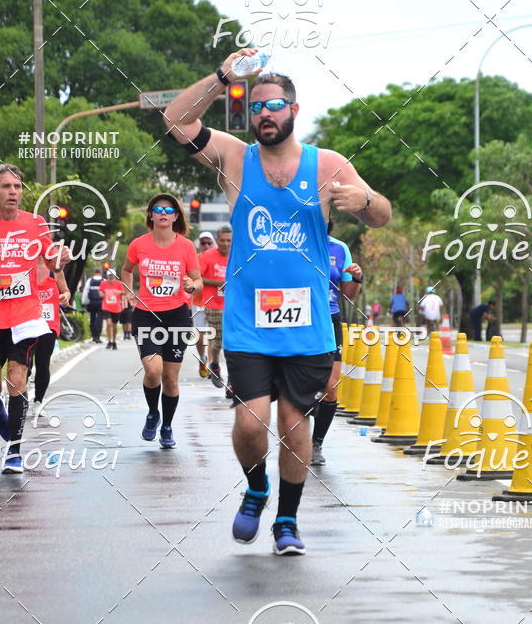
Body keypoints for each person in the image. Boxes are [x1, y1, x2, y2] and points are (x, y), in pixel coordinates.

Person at [163, 48, 391, 554]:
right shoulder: (234, 157)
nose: (264, 114)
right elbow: (176, 119)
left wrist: (366, 202)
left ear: (294, 109)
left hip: (309, 322)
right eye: (256, 107)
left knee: (293, 423)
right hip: (248, 318)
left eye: (274, 105)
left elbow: (383, 215)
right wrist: (224, 77)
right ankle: (256, 488)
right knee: (249, 421)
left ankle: (286, 520)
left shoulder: (328, 165)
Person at [0, 163, 69, 473]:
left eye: (17, 187)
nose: (13, 193)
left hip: (24, 316)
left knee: (16, 381)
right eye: (6, 187)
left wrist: (61, 257)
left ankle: (14, 450)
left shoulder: (36, 224)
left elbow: (52, 260)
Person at [121, 194, 203, 450]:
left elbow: (198, 280)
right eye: (158, 209)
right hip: (147, 315)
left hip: (177, 315)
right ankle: (152, 412)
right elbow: (126, 269)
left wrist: (192, 285)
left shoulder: (186, 246)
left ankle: (166, 426)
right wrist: (128, 291)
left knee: (170, 378)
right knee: (153, 371)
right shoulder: (139, 244)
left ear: (176, 216)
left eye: (169, 210)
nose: (163, 213)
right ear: (151, 215)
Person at [311, 218, 362, 466]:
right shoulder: (292, 245)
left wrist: (357, 279)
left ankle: (316, 444)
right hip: (299, 322)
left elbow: (347, 294)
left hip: (329, 319)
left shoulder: (339, 249)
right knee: (301, 386)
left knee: (331, 387)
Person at [32, 256, 70, 412]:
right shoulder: (26, 263)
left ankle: (38, 401)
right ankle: (19, 399)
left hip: (49, 325)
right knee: (24, 365)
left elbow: (66, 291)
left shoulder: (55, 268)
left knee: (42, 362)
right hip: (27, 322)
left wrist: (65, 297)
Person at [199, 224, 232, 390]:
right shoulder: (207, 256)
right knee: (218, 340)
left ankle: (232, 380)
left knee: (231, 341)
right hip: (213, 304)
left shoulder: (238, 255)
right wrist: (219, 283)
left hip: (233, 305)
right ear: (216, 240)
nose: (225, 243)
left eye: (229, 240)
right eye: (222, 240)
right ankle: (215, 364)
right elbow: (199, 278)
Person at [192, 231, 215, 378]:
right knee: (200, 336)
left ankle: (212, 365)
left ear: (213, 244)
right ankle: (203, 358)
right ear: (199, 245)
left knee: (212, 335)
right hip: (198, 302)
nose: (206, 245)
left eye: (209, 243)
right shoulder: (195, 259)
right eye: (203, 243)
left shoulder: (219, 258)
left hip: (215, 303)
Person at [99, 268, 126, 349]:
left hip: (116, 308)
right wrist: (101, 294)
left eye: (112, 275)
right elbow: (100, 292)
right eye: (109, 275)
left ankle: (114, 341)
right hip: (106, 306)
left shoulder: (119, 283)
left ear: (114, 276)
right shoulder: (103, 283)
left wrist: (118, 292)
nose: (111, 277)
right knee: (109, 323)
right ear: (107, 276)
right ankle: (109, 341)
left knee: (114, 325)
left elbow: (124, 292)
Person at [82, 267, 104, 343]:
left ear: (94, 273)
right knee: (100, 319)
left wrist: (84, 302)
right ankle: (98, 335)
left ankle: (94, 336)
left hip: (92, 302)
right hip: (101, 302)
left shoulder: (90, 281)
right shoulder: (104, 281)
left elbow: (85, 292)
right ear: (100, 273)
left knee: (93, 318)